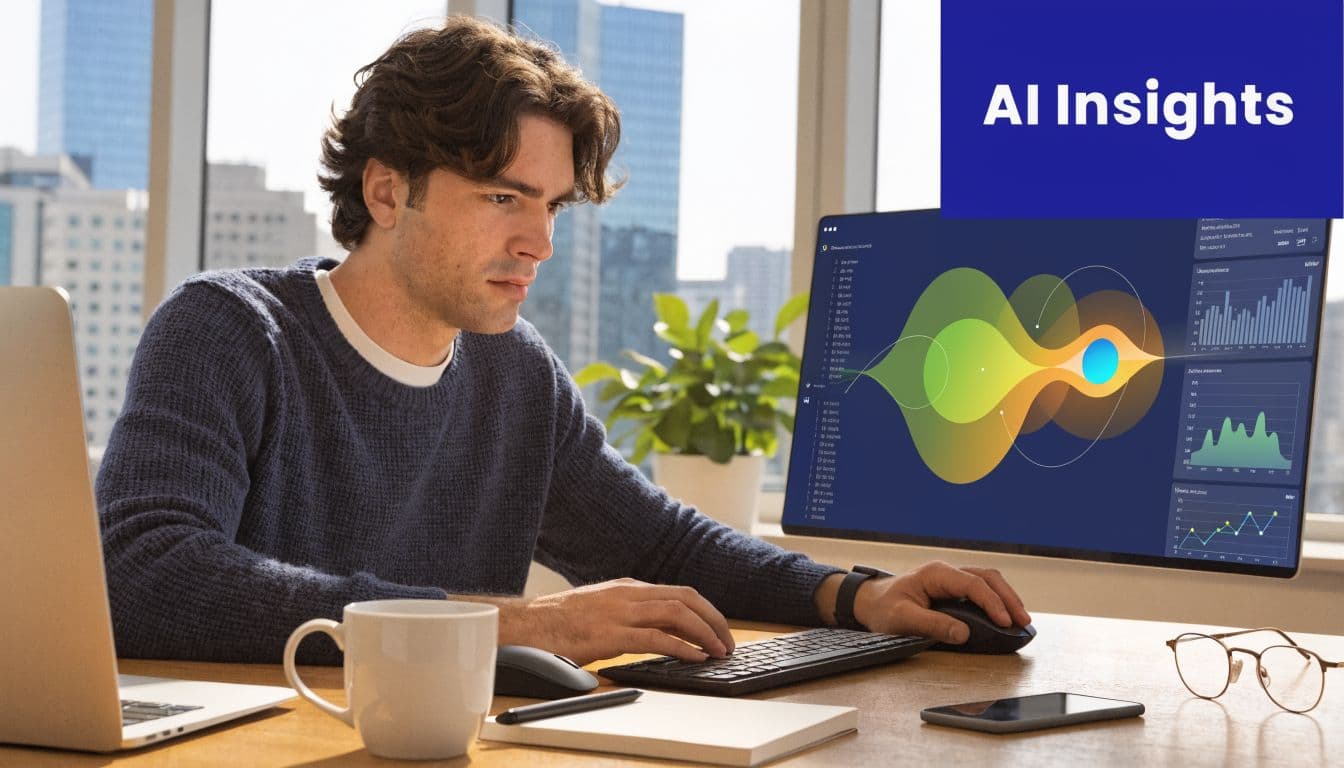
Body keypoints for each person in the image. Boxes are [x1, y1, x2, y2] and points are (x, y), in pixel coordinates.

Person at [96, 15, 1030, 666]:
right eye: (503, 197)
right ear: (386, 192)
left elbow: (659, 546)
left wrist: (856, 597)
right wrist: (521, 627)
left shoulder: (512, 371)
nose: (538, 242)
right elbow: (144, 573)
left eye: (550, 207)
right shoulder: (229, 330)